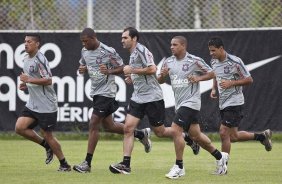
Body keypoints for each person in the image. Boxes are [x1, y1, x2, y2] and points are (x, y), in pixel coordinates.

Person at [109, 27, 199, 175]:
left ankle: (186, 138)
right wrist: (132, 77)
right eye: (122, 38)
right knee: (128, 128)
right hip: (138, 97)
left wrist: (132, 71)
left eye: (125, 38)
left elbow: (152, 69)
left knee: (161, 132)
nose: (122, 41)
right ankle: (126, 164)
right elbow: (140, 71)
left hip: (153, 97)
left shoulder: (142, 50)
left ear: (134, 38)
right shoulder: (132, 54)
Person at [73, 28, 151, 173]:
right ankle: (140, 134)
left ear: (94, 37)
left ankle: (87, 163)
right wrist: (82, 69)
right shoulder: (84, 51)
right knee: (109, 126)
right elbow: (83, 65)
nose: (84, 44)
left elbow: (123, 67)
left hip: (107, 93)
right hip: (95, 93)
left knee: (93, 122)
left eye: (86, 41)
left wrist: (109, 71)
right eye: (82, 41)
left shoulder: (107, 51)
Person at [157, 36, 229, 178]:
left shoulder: (194, 61)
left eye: (175, 45)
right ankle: (221, 157)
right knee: (196, 136)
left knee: (175, 130)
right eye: (171, 44)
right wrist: (162, 76)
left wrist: (198, 78)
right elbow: (159, 80)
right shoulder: (168, 61)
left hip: (191, 102)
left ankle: (179, 167)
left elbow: (214, 72)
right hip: (180, 104)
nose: (171, 47)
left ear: (183, 46)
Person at [208, 37, 272, 173]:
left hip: (235, 102)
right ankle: (261, 137)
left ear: (221, 48)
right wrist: (214, 88)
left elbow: (249, 79)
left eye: (213, 50)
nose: (211, 53)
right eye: (210, 51)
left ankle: (223, 168)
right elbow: (215, 74)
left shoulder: (235, 62)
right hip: (223, 103)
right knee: (233, 137)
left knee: (223, 132)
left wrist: (231, 83)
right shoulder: (213, 61)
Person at [15, 34, 71, 171]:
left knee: (48, 134)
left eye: (29, 41)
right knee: (20, 128)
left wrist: (28, 80)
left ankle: (64, 164)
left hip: (46, 104)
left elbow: (48, 80)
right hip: (33, 103)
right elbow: (33, 80)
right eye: (25, 41)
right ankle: (46, 145)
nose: (26, 44)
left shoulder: (40, 59)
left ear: (37, 44)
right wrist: (26, 86)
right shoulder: (26, 59)